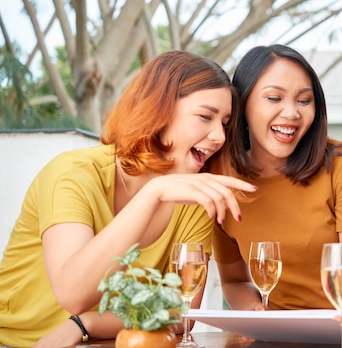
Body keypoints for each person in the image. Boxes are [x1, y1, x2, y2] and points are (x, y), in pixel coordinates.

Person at [0, 51, 256, 348]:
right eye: (205, 116)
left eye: (224, 123)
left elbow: (180, 313)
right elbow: (74, 294)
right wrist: (153, 194)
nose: (219, 137)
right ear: (158, 110)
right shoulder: (72, 174)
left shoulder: (194, 199)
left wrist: (87, 324)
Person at [212, 44, 342, 310]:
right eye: (274, 98)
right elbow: (235, 282)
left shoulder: (339, 162)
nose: (292, 113)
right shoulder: (221, 179)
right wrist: (257, 317)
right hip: (275, 335)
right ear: (243, 104)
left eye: (304, 101)